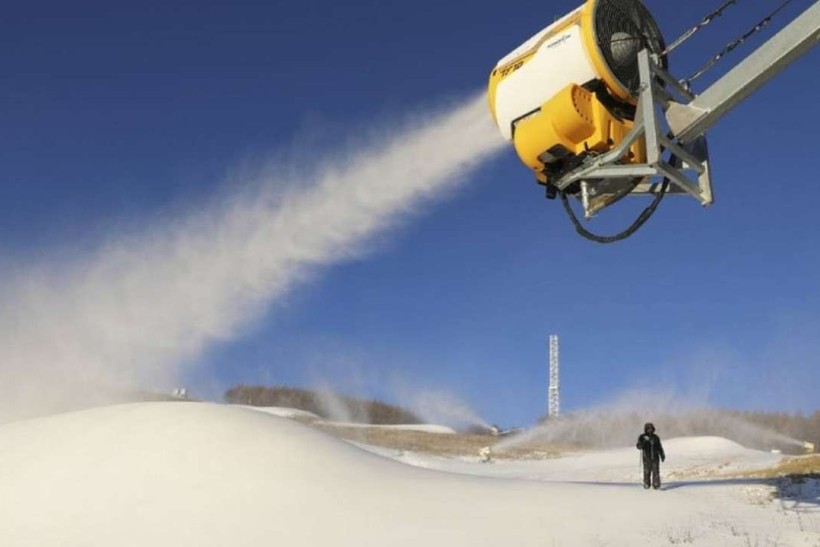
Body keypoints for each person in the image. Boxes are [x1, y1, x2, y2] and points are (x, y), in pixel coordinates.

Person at [636, 422, 665, 489]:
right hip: (646, 458)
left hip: (655, 458)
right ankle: (646, 484)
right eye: (648, 429)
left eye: (651, 428)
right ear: (645, 429)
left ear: (653, 429)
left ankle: (656, 485)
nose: (650, 430)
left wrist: (662, 455)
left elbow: (659, 447)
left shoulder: (656, 437)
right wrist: (643, 442)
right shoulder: (642, 437)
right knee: (647, 471)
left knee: (656, 471)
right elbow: (638, 446)